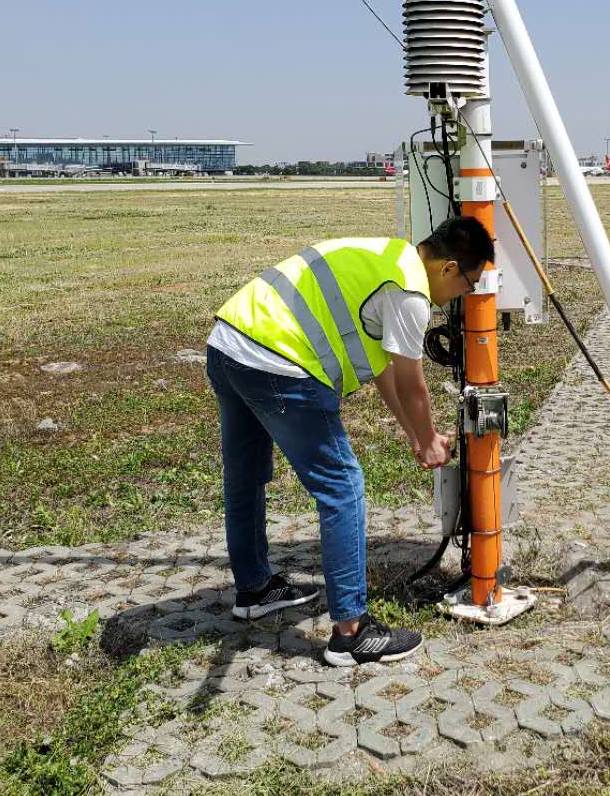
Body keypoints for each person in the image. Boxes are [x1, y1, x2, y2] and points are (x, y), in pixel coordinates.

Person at [206, 217, 494, 666]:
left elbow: (384, 372)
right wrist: (430, 442)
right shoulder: (410, 292)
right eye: (470, 285)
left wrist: (417, 436)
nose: (466, 297)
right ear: (450, 268)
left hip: (229, 342)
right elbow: (414, 384)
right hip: (279, 360)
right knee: (342, 487)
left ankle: (255, 588)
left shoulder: (387, 259)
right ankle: (351, 633)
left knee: (244, 478)